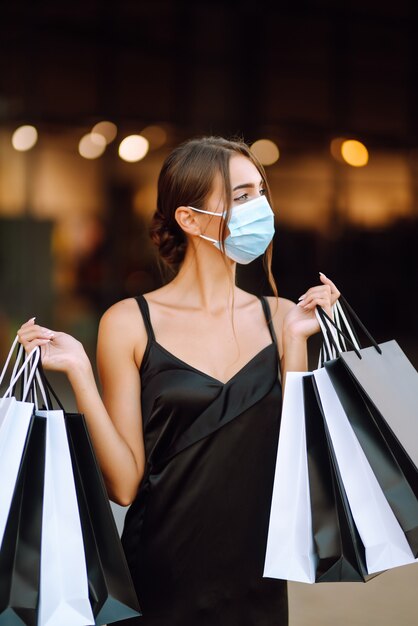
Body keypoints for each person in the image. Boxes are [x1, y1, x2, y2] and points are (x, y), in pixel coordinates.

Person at [18, 135, 340, 626]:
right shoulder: (128, 322)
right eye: (241, 196)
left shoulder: (281, 318)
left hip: (256, 585)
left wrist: (297, 341)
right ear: (188, 219)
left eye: (260, 192)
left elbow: (296, 468)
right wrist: (81, 373)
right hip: (158, 582)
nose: (260, 208)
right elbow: (124, 487)